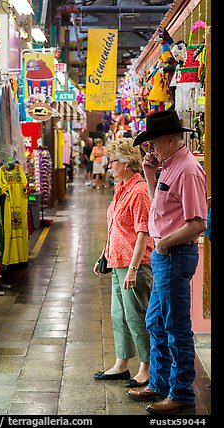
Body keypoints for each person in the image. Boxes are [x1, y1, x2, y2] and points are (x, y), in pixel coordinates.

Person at [127, 110, 208, 415]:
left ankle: (182, 393)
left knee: (175, 327)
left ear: (171, 138)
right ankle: (160, 383)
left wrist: (162, 243)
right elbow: (159, 209)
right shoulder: (170, 166)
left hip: (174, 255)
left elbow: (198, 222)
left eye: (154, 142)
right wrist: (150, 173)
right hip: (165, 255)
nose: (150, 148)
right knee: (156, 322)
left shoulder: (186, 170)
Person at [93, 138, 153, 387]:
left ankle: (147, 368)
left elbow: (143, 232)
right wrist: (104, 255)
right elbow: (115, 228)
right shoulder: (121, 188)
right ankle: (122, 363)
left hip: (134, 264)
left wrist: (133, 268)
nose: (109, 165)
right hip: (118, 261)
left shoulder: (139, 191)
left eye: (113, 160)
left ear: (127, 163)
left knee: (136, 316)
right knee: (119, 315)